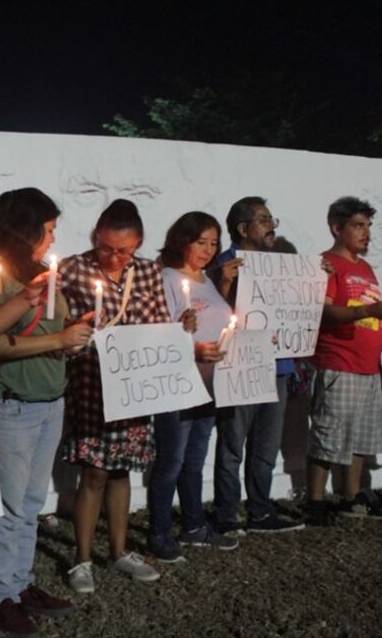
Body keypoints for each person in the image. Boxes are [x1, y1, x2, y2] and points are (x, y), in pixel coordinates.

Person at [0, 188, 91, 635]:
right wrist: (58, 340)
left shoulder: (39, 274)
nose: (53, 239)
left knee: (31, 503)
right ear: (25, 228)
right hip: (11, 404)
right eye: (48, 229)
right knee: (8, 504)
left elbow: (50, 333)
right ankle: (2, 592)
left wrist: (73, 336)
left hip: (49, 402)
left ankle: (20, 582)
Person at [61, 199, 186, 593]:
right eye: (105, 248)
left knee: (121, 469)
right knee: (94, 471)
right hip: (92, 383)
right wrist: (76, 326)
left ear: (138, 244)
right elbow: (56, 320)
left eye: (123, 250)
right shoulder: (73, 269)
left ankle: (118, 550)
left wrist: (179, 330)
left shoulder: (147, 272)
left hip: (134, 384)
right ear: (94, 237)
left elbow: (156, 322)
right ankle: (82, 558)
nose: (113, 257)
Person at [208, 197, 306, 534]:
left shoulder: (280, 266)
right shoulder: (222, 265)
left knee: (267, 445)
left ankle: (260, 511)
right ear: (242, 228)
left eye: (271, 220)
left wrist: (315, 280)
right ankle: (226, 513)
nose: (271, 226)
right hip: (241, 365)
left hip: (277, 365)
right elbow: (211, 316)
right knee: (232, 444)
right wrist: (222, 283)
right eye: (264, 220)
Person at [306, 196, 382, 525]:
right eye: (358, 226)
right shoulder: (327, 264)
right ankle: (315, 502)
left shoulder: (365, 268)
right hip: (338, 361)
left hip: (368, 367)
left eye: (368, 226)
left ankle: (351, 496)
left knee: (362, 436)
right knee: (328, 434)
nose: (366, 233)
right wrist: (369, 310)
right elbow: (323, 311)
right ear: (337, 228)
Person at [154, 211, 235, 561]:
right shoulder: (168, 278)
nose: (208, 250)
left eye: (214, 243)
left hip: (209, 385)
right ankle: (158, 531)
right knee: (170, 461)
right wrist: (192, 345)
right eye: (201, 242)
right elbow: (160, 332)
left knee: (194, 460)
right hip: (178, 384)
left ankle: (193, 524)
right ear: (182, 240)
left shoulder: (207, 280)